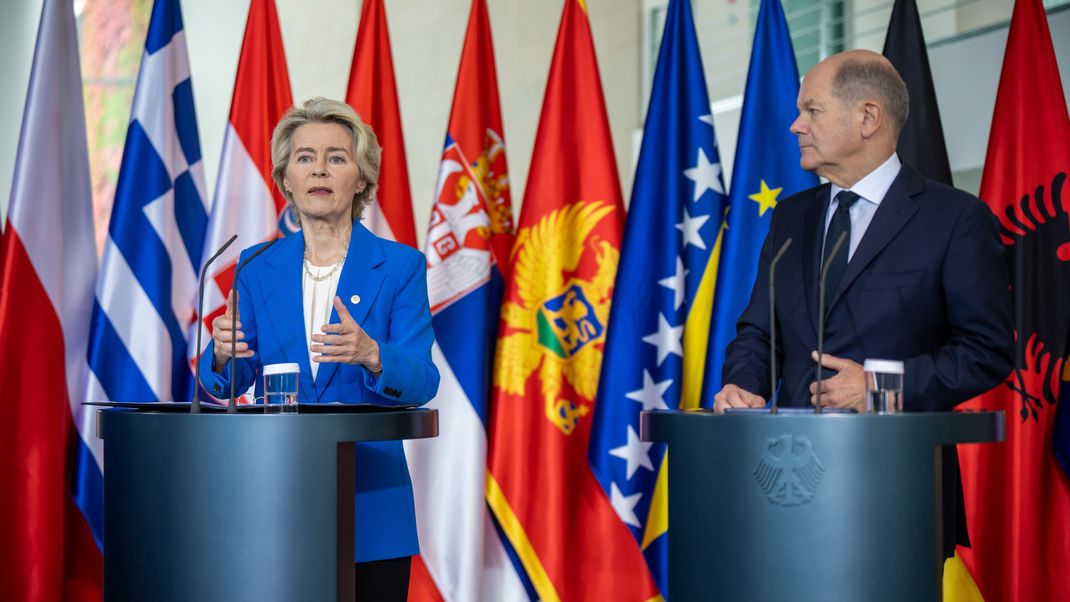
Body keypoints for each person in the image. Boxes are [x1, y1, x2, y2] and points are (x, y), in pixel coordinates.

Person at [713, 50, 1013, 556]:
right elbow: (760, 332)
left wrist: (878, 387)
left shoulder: (955, 220)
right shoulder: (791, 219)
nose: (795, 126)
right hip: (787, 489)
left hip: (898, 495)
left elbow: (987, 351)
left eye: (812, 110)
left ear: (868, 117)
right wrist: (742, 383)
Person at [198, 97, 439, 599]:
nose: (319, 169)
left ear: (361, 178)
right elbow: (231, 380)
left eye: (337, 157)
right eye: (305, 157)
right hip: (276, 497)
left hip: (370, 505)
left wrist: (374, 354)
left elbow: (422, 379)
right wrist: (222, 353)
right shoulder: (255, 266)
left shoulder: (400, 267)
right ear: (286, 178)